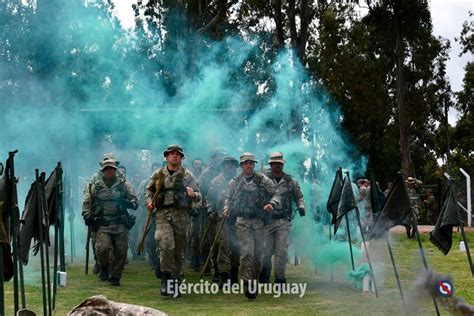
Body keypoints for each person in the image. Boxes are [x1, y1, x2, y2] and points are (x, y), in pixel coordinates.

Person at [222, 152, 280, 300]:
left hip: (259, 222)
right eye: (246, 163)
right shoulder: (235, 181)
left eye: (251, 163)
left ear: (254, 164)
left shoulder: (263, 180)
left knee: (258, 255)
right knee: (247, 252)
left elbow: (276, 194)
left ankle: (254, 279)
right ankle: (248, 282)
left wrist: (271, 204)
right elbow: (228, 198)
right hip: (242, 222)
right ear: (241, 165)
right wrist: (226, 209)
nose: (248, 165)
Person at [145, 144, 201, 297]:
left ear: (182, 157)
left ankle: (175, 281)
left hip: (181, 217)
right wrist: (149, 202)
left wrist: (193, 195)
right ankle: (165, 278)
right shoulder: (159, 175)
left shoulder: (187, 176)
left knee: (178, 251)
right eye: (171, 154)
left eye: (177, 154)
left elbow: (199, 196)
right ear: (166, 157)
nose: (174, 156)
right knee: (166, 244)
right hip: (163, 215)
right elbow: (148, 191)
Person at [82, 157, 138, 286]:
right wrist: (87, 215)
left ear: (115, 170)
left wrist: (128, 203)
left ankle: (116, 276)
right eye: (106, 169)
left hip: (120, 223)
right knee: (102, 248)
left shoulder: (123, 184)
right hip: (102, 223)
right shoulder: (95, 186)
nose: (109, 172)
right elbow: (87, 202)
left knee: (121, 251)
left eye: (111, 169)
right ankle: (104, 268)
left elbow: (135, 200)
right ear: (103, 171)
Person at [260, 152, 305, 284]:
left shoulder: (290, 181)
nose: (276, 166)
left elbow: (299, 196)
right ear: (270, 164)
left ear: (283, 164)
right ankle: (264, 275)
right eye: (274, 163)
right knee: (266, 250)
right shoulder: (263, 180)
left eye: (279, 163)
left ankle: (280, 278)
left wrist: (301, 207)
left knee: (281, 251)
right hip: (267, 220)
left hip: (283, 220)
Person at [207, 156, 240, 285]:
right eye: (227, 164)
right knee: (222, 247)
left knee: (236, 248)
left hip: (238, 219)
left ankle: (234, 274)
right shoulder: (216, 181)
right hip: (222, 219)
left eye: (232, 164)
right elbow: (210, 198)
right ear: (223, 166)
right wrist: (211, 211)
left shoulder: (241, 181)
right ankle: (224, 275)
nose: (229, 166)